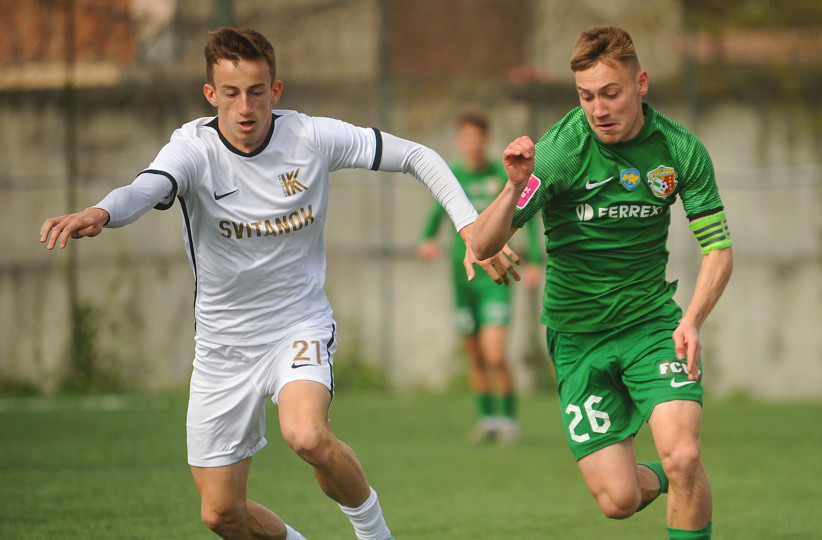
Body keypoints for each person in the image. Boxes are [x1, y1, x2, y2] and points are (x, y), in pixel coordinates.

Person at [40, 28, 517, 540]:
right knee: (221, 514)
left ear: (276, 90)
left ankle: (377, 536)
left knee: (307, 434)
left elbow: (417, 155)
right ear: (211, 94)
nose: (245, 106)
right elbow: (147, 187)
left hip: (297, 324)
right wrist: (103, 211)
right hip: (222, 347)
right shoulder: (194, 150)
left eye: (256, 91)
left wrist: (470, 227)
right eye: (231, 93)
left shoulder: (311, 137)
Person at [468, 26, 732, 540]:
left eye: (610, 93)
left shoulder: (679, 149)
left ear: (641, 84)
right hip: (577, 337)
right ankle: (677, 482)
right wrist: (515, 187)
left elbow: (718, 249)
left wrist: (693, 320)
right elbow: (482, 243)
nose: (598, 109)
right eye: (586, 96)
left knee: (683, 456)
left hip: (652, 327)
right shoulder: (560, 151)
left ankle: (682, 476)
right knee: (619, 500)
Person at [418, 111, 542, 444]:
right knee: (475, 355)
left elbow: (526, 212)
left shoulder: (502, 175)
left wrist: (535, 261)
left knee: (495, 353)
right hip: (463, 280)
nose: (471, 144)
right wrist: (427, 239)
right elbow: (438, 212)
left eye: (477, 137)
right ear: (460, 141)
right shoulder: (453, 175)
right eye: (466, 138)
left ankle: (510, 422)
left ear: (486, 140)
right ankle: (488, 420)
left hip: (496, 277)